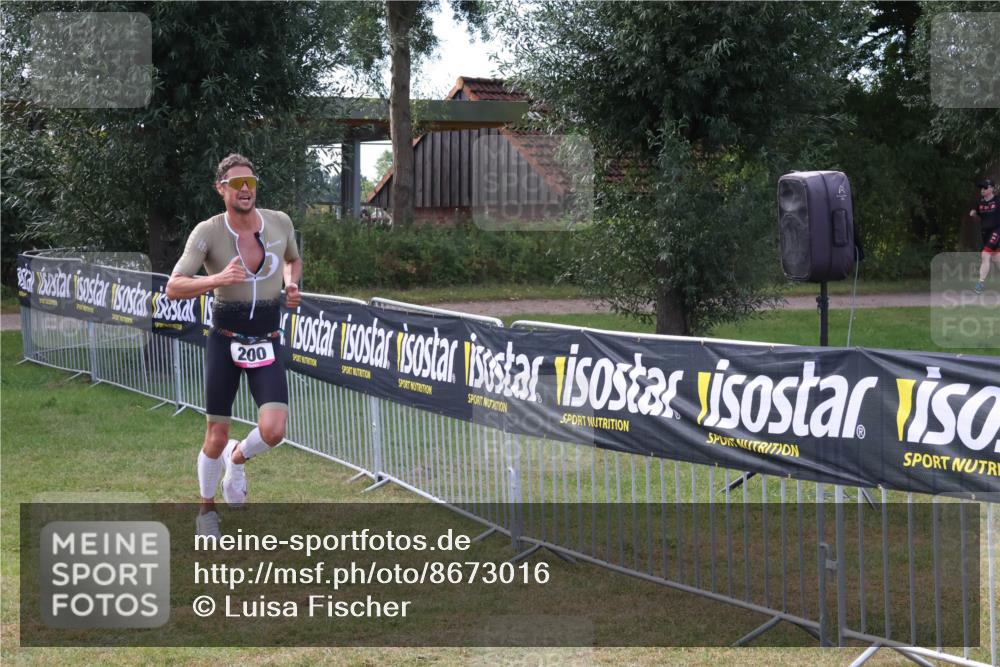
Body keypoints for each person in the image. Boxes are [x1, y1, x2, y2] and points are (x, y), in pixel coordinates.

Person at [166, 153, 302, 538]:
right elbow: (175, 286)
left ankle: (238, 460)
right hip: (225, 342)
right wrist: (218, 278)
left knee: (274, 430)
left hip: (268, 341)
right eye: (237, 184)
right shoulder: (208, 232)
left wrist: (292, 286)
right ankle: (206, 511)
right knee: (215, 436)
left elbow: (293, 259)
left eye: (251, 183)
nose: (246, 190)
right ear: (221, 189)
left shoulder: (279, 223)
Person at [970, 178, 1000, 294]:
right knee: (997, 259)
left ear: (992, 189)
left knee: (985, 254)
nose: (982, 190)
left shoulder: (998, 201)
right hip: (985, 233)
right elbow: (977, 213)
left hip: (997, 231)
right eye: (981, 188)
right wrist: (974, 214)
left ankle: (980, 284)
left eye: (985, 188)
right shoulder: (980, 202)